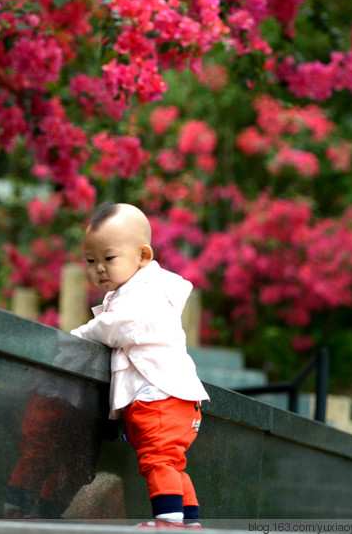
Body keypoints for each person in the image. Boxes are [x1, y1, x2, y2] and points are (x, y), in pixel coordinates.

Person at [70, 202, 209, 530]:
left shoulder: (145, 293)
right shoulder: (137, 291)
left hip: (159, 397)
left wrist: (76, 336)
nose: (99, 269)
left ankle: (168, 523)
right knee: (173, 464)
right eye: (91, 261)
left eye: (109, 258)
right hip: (171, 398)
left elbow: (118, 326)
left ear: (143, 256)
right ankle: (190, 524)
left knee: (158, 462)